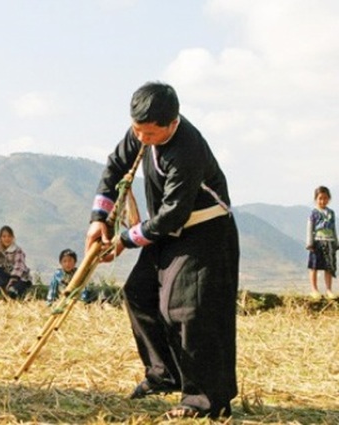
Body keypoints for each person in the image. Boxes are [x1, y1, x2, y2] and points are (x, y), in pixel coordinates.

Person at [85, 82, 239, 419]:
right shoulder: (140, 133)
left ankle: (206, 399)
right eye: (137, 131)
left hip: (203, 233)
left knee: (187, 309)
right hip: (165, 232)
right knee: (138, 292)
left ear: (173, 123)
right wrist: (99, 218)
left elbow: (174, 213)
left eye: (151, 134)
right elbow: (115, 169)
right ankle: (163, 374)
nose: (142, 139)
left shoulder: (187, 149)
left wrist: (125, 239)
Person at [306, 185, 337, 300]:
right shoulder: (314, 213)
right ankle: (314, 289)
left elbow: (334, 228)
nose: (322, 201)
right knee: (314, 266)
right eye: (320, 198)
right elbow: (310, 227)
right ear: (316, 199)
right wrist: (310, 243)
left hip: (329, 242)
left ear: (329, 199)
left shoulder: (331, 213)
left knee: (328, 267)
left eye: (325, 198)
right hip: (317, 243)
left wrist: (336, 242)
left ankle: (329, 289)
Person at [0, 225, 32, 299]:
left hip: (19, 278)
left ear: (12, 238)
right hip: (6, 277)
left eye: (9, 236)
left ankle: (10, 293)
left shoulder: (17, 250)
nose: (6, 239)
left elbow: (19, 267)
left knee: (13, 291)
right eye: (4, 236)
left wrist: (12, 281)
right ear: (0, 238)